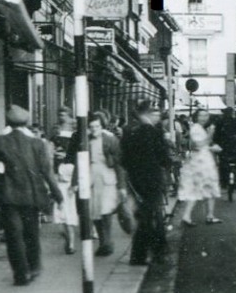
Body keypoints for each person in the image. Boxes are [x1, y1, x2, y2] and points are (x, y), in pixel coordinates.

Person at [0, 105, 64, 285]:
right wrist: (58, 195)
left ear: (8, 122)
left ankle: (21, 273)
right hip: (31, 195)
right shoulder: (37, 143)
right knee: (31, 233)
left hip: (8, 196)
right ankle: (34, 267)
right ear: (26, 123)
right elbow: (47, 172)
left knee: (14, 235)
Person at [119, 100, 176, 265]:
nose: (158, 116)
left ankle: (144, 254)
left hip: (135, 182)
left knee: (148, 216)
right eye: (156, 113)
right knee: (150, 217)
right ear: (148, 114)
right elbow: (163, 159)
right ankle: (153, 253)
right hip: (152, 181)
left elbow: (124, 160)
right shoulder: (155, 133)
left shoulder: (129, 132)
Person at [68, 113, 122, 257]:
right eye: (91, 127)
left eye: (97, 126)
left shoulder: (111, 140)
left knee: (106, 211)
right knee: (94, 212)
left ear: (102, 126)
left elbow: (119, 164)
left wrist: (121, 186)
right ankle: (104, 242)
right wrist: (74, 183)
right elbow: (79, 162)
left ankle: (107, 242)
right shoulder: (85, 142)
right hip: (91, 178)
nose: (94, 129)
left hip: (107, 178)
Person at [176, 108, 223, 225]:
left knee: (200, 187)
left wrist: (211, 147)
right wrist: (211, 134)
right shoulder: (197, 128)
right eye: (201, 115)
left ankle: (189, 216)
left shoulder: (198, 128)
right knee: (209, 186)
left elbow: (200, 146)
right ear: (196, 117)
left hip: (201, 159)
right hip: (202, 162)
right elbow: (199, 144)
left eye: (206, 115)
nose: (204, 118)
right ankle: (209, 216)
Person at [50, 110, 79, 254]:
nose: (61, 118)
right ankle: (68, 237)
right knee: (60, 208)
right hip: (57, 170)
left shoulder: (75, 134)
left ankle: (72, 241)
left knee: (68, 207)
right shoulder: (55, 131)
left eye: (64, 115)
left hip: (69, 170)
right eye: (59, 115)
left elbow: (75, 154)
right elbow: (50, 149)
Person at [211, 105, 236, 194]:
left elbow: (216, 136)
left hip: (224, 149)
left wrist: (217, 145)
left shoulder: (220, 122)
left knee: (223, 165)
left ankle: (224, 182)